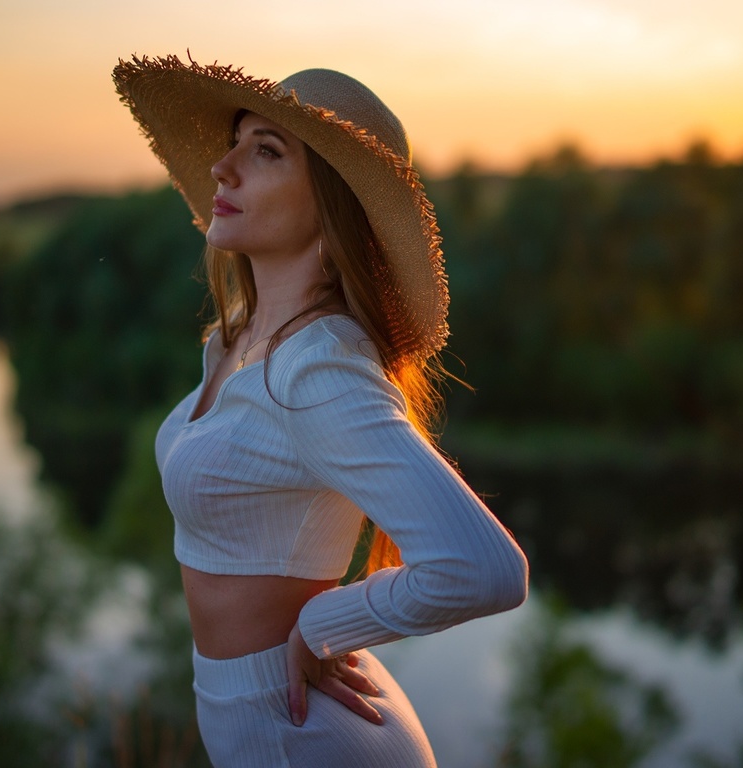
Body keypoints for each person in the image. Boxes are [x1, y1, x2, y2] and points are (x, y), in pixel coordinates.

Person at [112, 54, 529, 767]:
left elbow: (483, 567)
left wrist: (321, 627)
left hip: (299, 733)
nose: (223, 167)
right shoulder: (237, 342)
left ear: (332, 209)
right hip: (259, 713)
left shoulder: (319, 367)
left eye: (265, 152)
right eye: (235, 141)